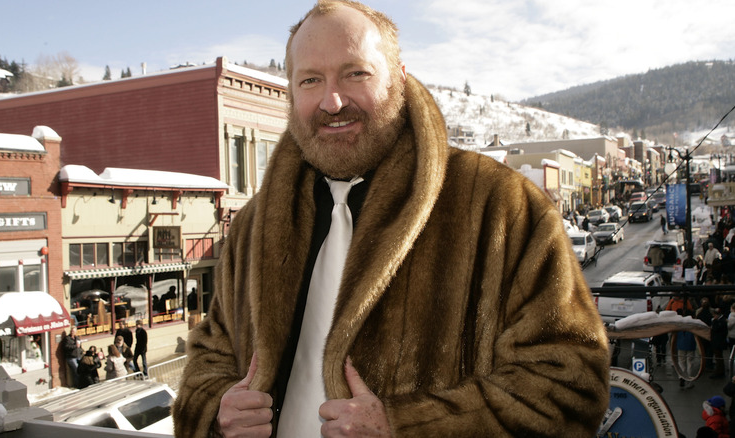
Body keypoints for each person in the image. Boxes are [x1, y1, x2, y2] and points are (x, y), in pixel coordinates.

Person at [172, 2, 610, 437]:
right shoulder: (254, 227)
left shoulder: (499, 206)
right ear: (291, 93)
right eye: (310, 80)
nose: (333, 101)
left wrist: (405, 428)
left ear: (399, 77)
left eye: (355, 73)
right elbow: (210, 356)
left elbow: (568, 383)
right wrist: (216, 409)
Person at [710, 307, 728, 378]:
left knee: (718, 357)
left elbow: (715, 329)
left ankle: (719, 372)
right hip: (718, 342)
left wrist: (714, 322)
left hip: (718, 342)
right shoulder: (722, 320)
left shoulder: (720, 322)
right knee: (719, 357)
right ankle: (719, 371)